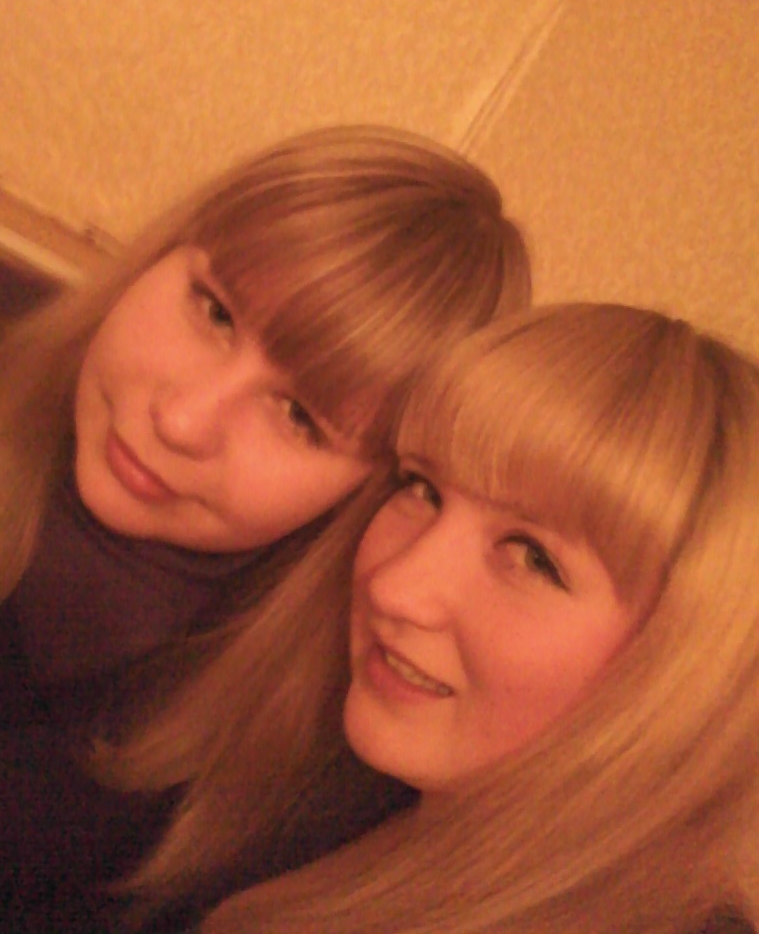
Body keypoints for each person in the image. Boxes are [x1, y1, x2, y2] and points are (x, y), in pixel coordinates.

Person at [0, 125, 529, 928]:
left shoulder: (283, 807)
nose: (181, 419)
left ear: (368, 495)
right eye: (214, 310)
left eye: (301, 417)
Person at [100, 302, 758, 934]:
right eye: (423, 489)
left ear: (692, 667)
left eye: (533, 557)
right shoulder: (337, 805)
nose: (394, 587)